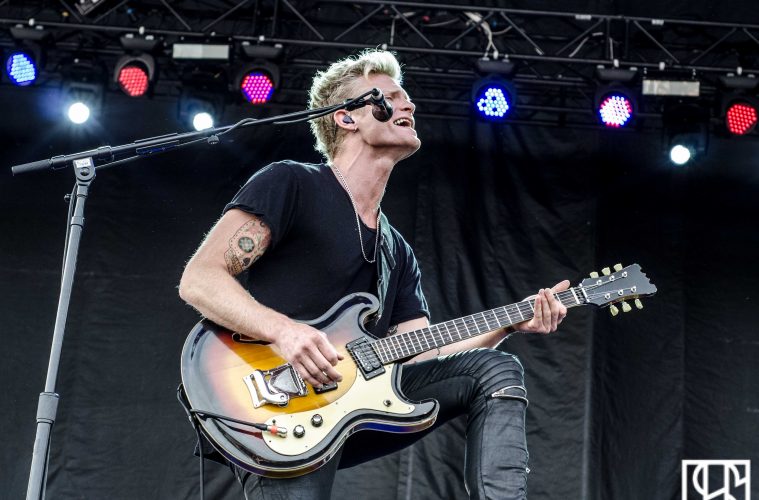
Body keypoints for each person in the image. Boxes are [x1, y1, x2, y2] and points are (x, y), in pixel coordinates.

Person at [178, 49, 568, 500]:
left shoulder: (395, 251)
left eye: (407, 98)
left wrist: (510, 322)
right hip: (276, 404)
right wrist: (284, 332)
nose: (409, 105)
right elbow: (200, 279)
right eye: (391, 97)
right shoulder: (292, 183)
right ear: (347, 118)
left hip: (356, 403)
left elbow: (423, 355)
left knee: (495, 370)